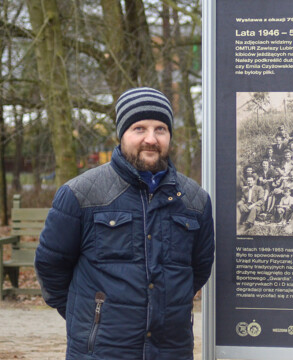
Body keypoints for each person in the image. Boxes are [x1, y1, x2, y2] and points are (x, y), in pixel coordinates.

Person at [34, 87, 215, 359]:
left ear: (170, 136)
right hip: (100, 352)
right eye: (139, 128)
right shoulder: (80, 194)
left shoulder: (195, 200)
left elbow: (199, 269)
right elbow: (51, 267)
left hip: (171, 350)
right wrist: (88, 319)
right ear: (122, 134)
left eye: (161, 129)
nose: (151, 139)